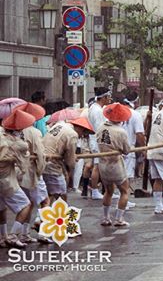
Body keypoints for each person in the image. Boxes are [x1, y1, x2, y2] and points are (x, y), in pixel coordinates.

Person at [0, 109, 37, 249]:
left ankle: (2, 237)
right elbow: (24, 153)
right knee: (25, 205)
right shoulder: (18, 144)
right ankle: (13, 235)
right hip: (6, 180)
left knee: (1, 209)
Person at [95, 103, 133, 228]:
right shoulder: (120, 131)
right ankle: (119, 219)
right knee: (124, 191)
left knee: (108, 191)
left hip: (103, 164)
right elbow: (126, 150)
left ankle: (106, 218)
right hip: (115, 164)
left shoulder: (100, 127)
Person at [15, 102, 47, 244]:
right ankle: (43, 232)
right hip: (31, 171)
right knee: (44, 201)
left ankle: (24, 233)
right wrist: (40, 171)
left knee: (27, 203)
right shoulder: (34, 132)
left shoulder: (14, 130)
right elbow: (40, 155)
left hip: (16, 171)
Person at [42, 116, 94, 201]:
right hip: (51, 164)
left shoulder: (60, 125)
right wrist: (73, 159)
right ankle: (48, 213)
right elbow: (70, 162)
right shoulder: (72, 134)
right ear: (80, 128)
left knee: (50, 194)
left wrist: (71, 157)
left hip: (43, 160)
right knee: (61, 196)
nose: (82, 136)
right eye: (84, 132)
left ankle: (46, 213)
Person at [121, 90, 145, 205]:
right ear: (135, 101)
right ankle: (124, 199)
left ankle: (122, 198)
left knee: (118, 176)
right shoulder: (135, 114)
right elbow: (139, 134)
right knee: (126, 176)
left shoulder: (117, 112)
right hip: (128, 148)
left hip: (115, 148)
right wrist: (144, 148)